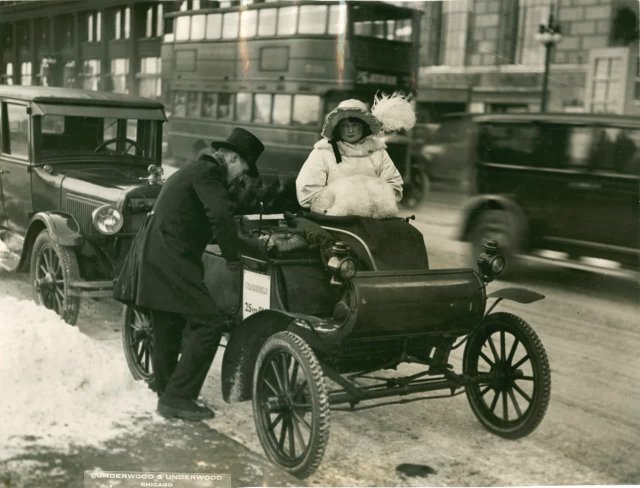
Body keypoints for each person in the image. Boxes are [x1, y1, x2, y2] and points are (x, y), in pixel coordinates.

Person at [114, 127, 264, 421]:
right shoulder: (208, 174)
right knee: (210, 323)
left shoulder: (195, 170)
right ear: (232, 158)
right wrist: (233, 259)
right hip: (172, 257)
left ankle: (165, 389)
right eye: (243, 169)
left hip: (156, 253)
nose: (240, 176)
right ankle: (179, 398)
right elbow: (219, 215)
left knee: (168, 325)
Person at [296, 98, 405, 210]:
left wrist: (371, 203)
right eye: (345, 126)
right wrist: (339, 203)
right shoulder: (324, 152)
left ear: (363, 126)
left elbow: (394, 186)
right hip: (334, 220)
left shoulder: (377, 152)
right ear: (338, 128)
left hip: (372, 217)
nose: (350, 130)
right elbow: (307, 193)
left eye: (355, 125)